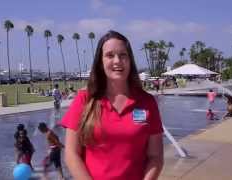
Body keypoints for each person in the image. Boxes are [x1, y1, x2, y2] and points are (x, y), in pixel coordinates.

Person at [61, 30, 164, 180]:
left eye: (123, 55)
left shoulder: (147, 102)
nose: (117, 61)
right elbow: (71, 154)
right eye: (110, 55)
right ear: (101, 63)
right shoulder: (85, 100)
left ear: (130, 60)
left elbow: (155, 157)